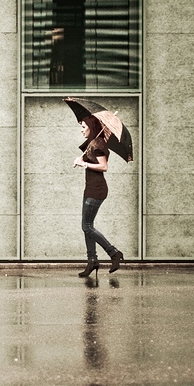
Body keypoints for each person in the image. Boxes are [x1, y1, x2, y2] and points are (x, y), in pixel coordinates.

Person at [73, 115, 123, 278]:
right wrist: (81, 159)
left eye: (84, 126)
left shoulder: (99, 143)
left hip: (97, 190)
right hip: (90, 188)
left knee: (87, 226)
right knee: (87, 226)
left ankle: (113, 252)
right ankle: (92, 261)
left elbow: (104, 166)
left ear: (92, 128)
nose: (81, 129)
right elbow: (90, 157)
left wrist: (84, 163)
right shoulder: (92, 143)